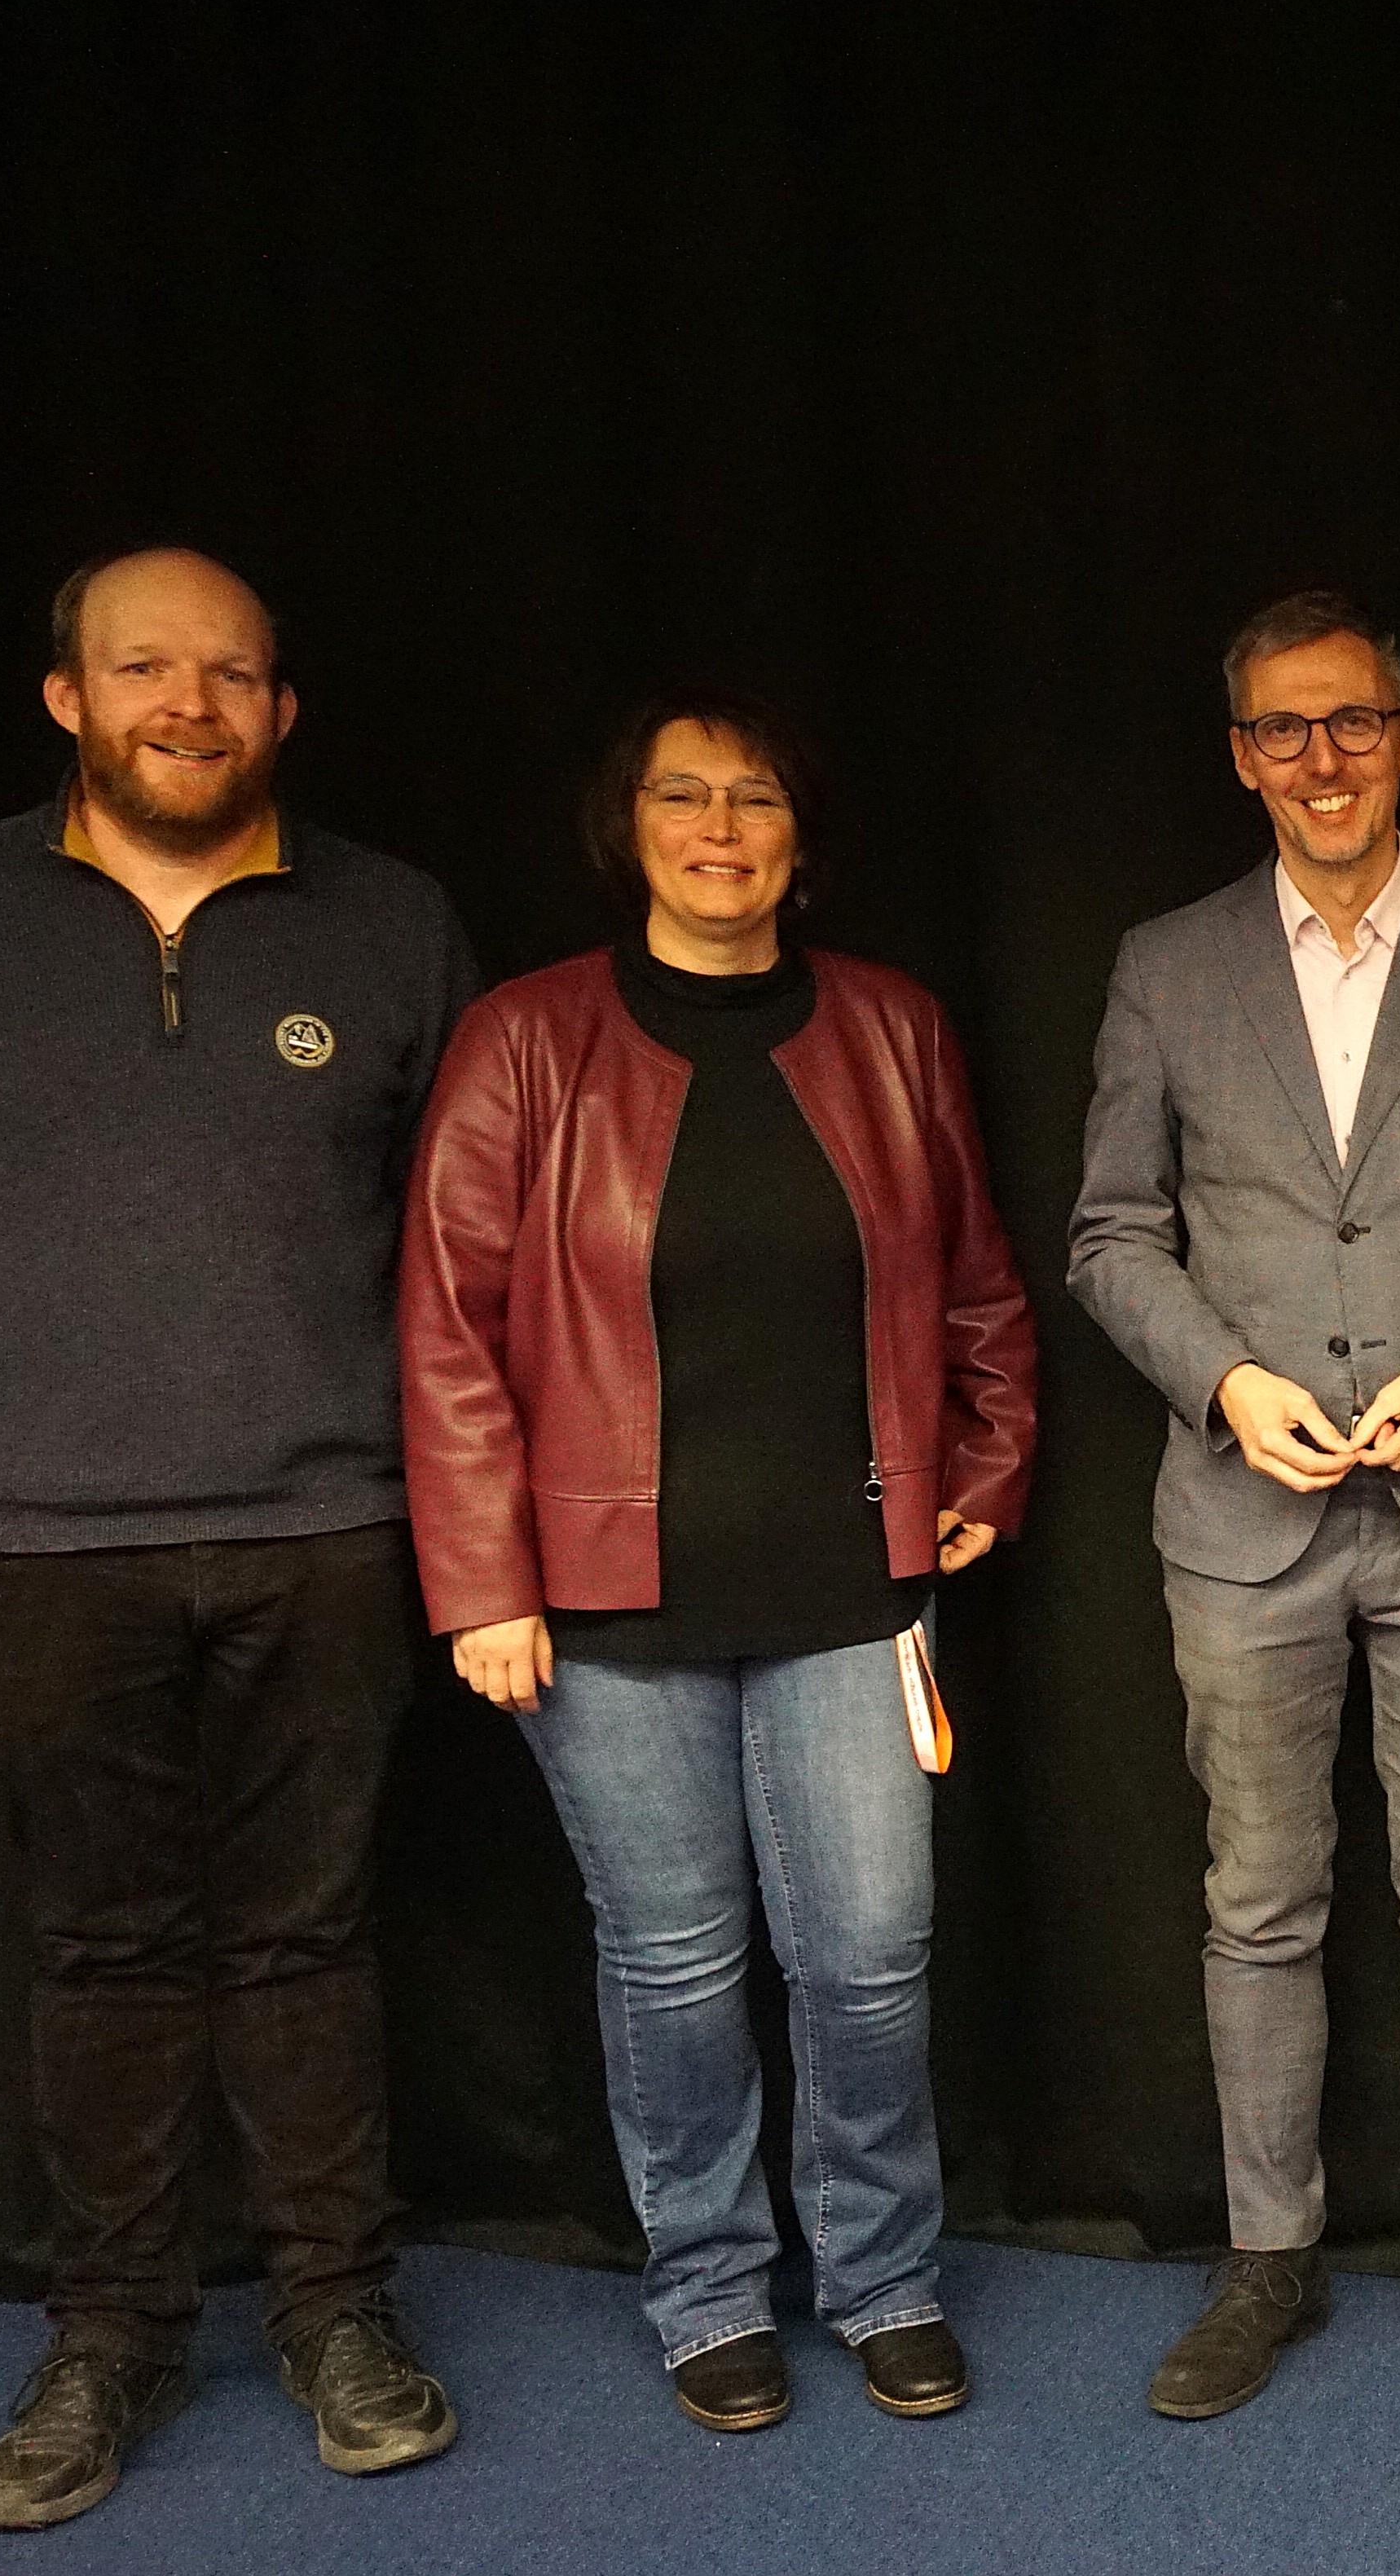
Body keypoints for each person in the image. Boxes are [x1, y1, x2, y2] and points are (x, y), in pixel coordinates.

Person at [0, 548, 478, 2528]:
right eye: (145, 668)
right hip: (39, 1534)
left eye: (231, 673)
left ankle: (338, 2310)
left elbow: (457, 1221)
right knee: (100, 1945)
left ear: (283, 709)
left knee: (308, 1933)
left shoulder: (392, 923)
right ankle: (111, 2329)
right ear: (67, 697)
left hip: (325, 1518)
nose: (190, 703)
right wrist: (15, 1373)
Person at [398, 694, 1037, 2434]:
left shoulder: (892, 1029)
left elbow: (977, 1277)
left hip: (849, 1580)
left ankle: (882, 2275)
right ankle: (707, 2287)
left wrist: (988, 1459)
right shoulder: (526, 1040)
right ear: (632, 829)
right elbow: (450, 1328)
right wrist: (481, 1581)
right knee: (675, 1965)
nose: (719, 827)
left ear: (798, 836)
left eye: (754, 797)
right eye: (682, 796)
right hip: (606, 1605)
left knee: (870, 1955)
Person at [1068, 589, 1400, 2419]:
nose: (1323, 759)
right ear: (1243, 758)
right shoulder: (1167, 965)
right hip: (1246, 1519)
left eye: (1353, 722)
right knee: (1260, 1901)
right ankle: (1267, 2257)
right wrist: (1227, 1382)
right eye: (1284, 730)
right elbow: (1113, 1234)